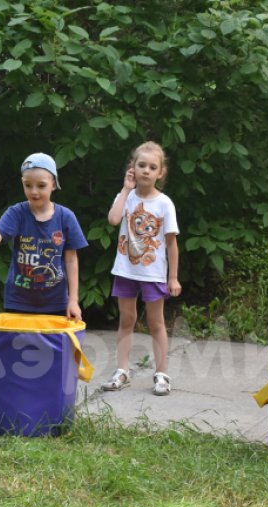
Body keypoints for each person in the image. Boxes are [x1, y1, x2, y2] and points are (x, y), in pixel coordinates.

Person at [0, 153, 88, 319]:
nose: (34, 192)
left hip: (56, 303)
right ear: (22, 183)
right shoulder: (16, 213)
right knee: (20, 345)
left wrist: (73, 300)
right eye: (28, 185)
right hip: (18, 302)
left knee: (52, 346)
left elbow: (71, 259)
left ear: (53, 184)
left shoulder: (66, 217)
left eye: (41, 185)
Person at [100, 141, 180, 396]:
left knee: (156, 323)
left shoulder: (164, 203)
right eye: (141, 164)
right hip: (125, 270)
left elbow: (171, 244)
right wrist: (125, 189)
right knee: (127, 320)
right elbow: (113, 220)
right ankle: (122, 371)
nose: (146, 170)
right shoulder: (126, 197)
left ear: (160, 173)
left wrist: (173, 277)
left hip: (153, 274)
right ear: (132, 168)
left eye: (152, 167)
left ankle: (162, 374)